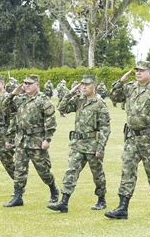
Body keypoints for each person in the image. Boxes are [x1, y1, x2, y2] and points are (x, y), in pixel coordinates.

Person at [105, 61, 150, 220]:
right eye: (137, 70)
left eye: (142, 70)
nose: (138, 73)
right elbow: (114, 96)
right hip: (131, 137)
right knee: (127, 170)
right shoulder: (130, 87)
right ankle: (123, 207)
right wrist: (120, 82)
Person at [48, 75, 111, 213]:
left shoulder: (100, 103)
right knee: (71, 171)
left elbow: (105, 128)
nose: (83, 87)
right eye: (82, 84)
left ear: (93, 86)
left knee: (97, 174)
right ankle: (64, 202)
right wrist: (71, 92)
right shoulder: (79, 100)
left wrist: (101, 148)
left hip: (92, 146)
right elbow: (62, 107)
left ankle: (101, 200)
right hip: (78, 144)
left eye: (86, 85)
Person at [3, 74, 59, 207]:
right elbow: (4, 107)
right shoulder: (20, 99)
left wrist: (47, 139)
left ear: (37, 85)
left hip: (36, 140)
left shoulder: (43, 100)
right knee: (19, 169)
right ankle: (18, 197)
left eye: (29, 84)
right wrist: (13, 93)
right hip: (21, 140)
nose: (26, 86)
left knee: (43, 170)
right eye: (25, 83)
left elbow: (50, 121)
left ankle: (53, 189)